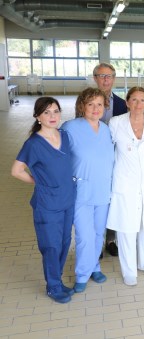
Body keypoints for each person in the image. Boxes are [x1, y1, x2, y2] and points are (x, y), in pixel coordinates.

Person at [11, 97, 76, 303]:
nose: (52, 116)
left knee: (65, 242)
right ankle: (53, 286)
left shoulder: (64, 136)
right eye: (46, 112)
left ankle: (56, 280)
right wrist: (37, 181)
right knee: (51, 246)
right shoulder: (33, 143)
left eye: (56, 111)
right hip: (47, 204)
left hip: (67, 199)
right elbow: (16, 170)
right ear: (37, 116)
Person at [107, 87, 144, 286]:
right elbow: (107, 151)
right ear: (127, 102)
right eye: (134, 100)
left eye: (142, 100)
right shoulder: (116, 123)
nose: (138, 104)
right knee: (127, 229)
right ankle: (129, 270)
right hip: (125, 184)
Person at [61, 88, 114, 293]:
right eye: (90, 104)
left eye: (99, 104)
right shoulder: (70, 128)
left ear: (105, 107)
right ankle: (82, 273)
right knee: (84, 235)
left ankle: (94, 267)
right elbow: (59, 157)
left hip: (102, 190)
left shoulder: (106, 129)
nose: (95, 108)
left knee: (98, 233)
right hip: (81, 190)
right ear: (82, 106)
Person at [94, 62, 126, 256]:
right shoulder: (85, 103)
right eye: (101, 76)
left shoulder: (122, 104)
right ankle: (96, 242)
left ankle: (111, 239)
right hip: (94, 161)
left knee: (113, 198)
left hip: (116, 159)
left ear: (114, 79)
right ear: (95, 78)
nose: (106, 80)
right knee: (98, 201)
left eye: (109, 76)